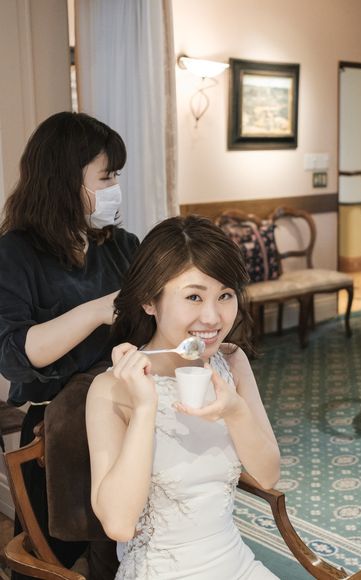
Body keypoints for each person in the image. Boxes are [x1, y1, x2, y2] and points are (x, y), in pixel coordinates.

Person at [86, 215, 281, 579]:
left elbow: (269, 475)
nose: (212, 317)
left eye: (225, 295)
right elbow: (118, 524)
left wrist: (236, 411)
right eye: (194, 297)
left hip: (235, 562)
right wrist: (145, 408)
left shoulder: (231, 361)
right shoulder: (110, 388)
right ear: (149, 300)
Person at [0, 111, 140, 578]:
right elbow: (15, 354)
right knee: (52, 558)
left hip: (126, 419)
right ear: (64, 180)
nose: (116, 186)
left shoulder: (120, 245)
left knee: (119, 547)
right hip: (55, 433)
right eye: (107, 176)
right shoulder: (15, 254)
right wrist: (98, 310)